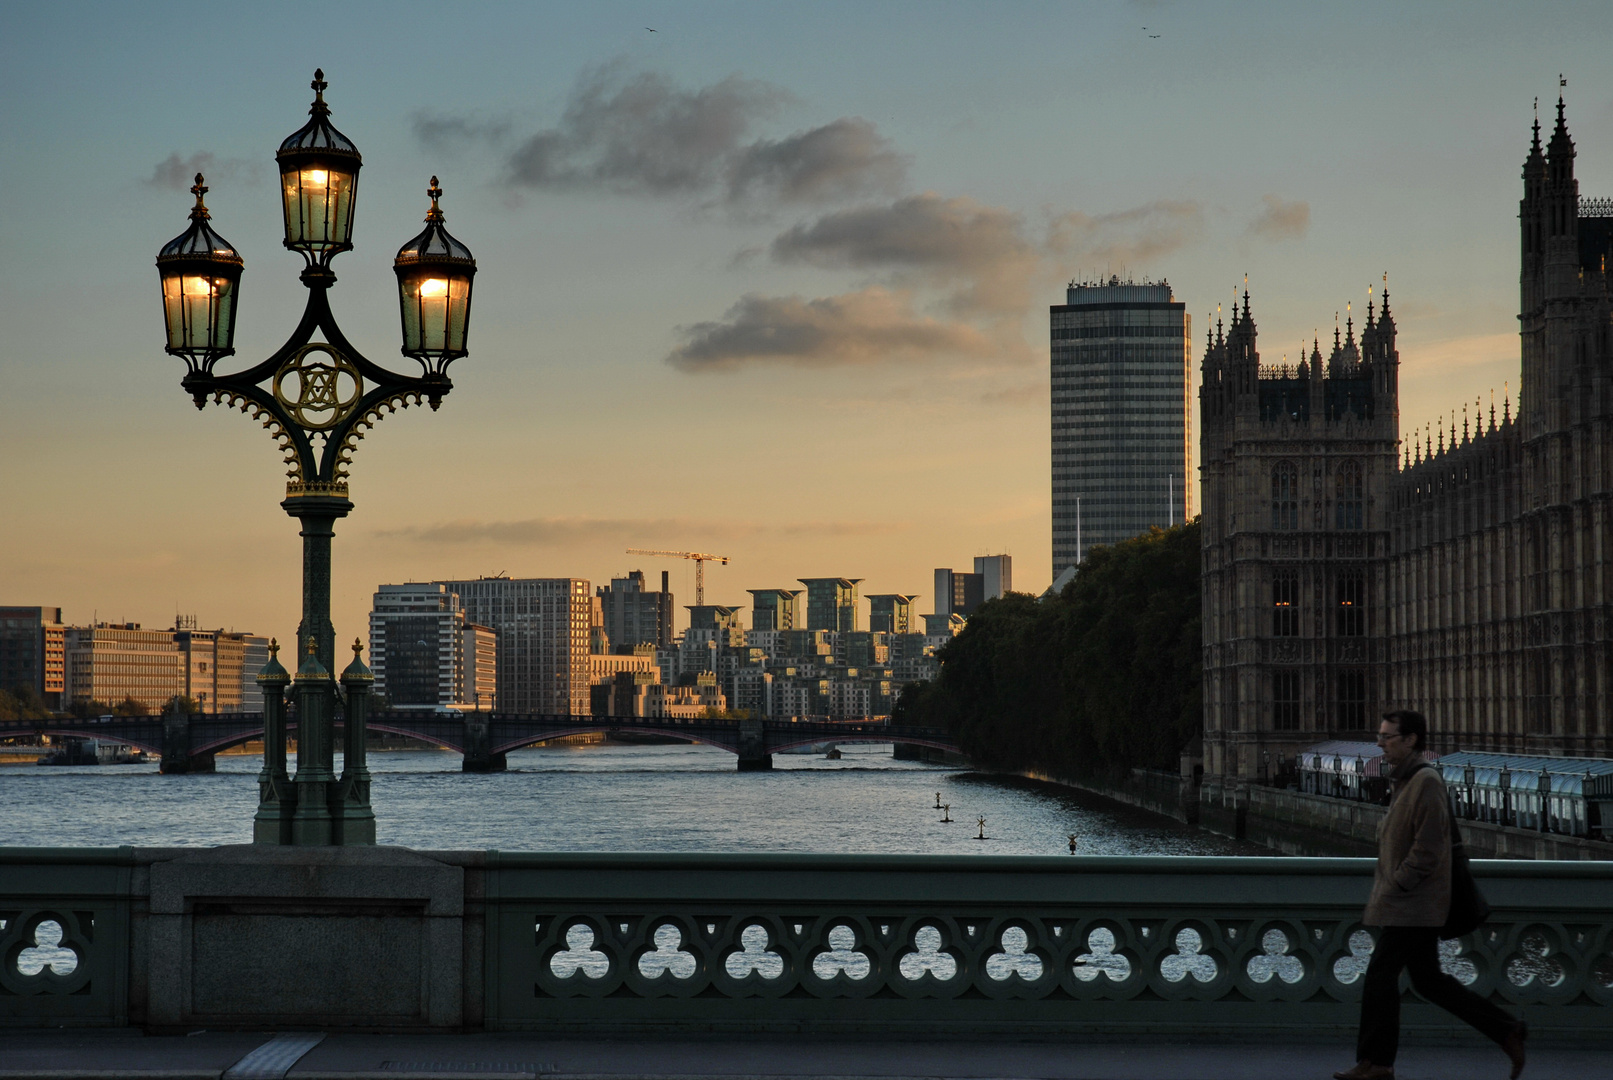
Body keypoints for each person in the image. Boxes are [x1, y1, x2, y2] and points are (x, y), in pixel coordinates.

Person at [1334, 710, 1527, 1080]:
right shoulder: (1406, 780)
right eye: (1380, 735)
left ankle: (1376, 1063)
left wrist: (1398, 884)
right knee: (1428, 981)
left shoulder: (1424, 781)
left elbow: (1430, 847)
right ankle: (1507, 1030)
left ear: (1411, 740)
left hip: (1414, 903)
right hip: (1410, 902)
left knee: (1379, 976)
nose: (1380, 743)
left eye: (1388, 737)